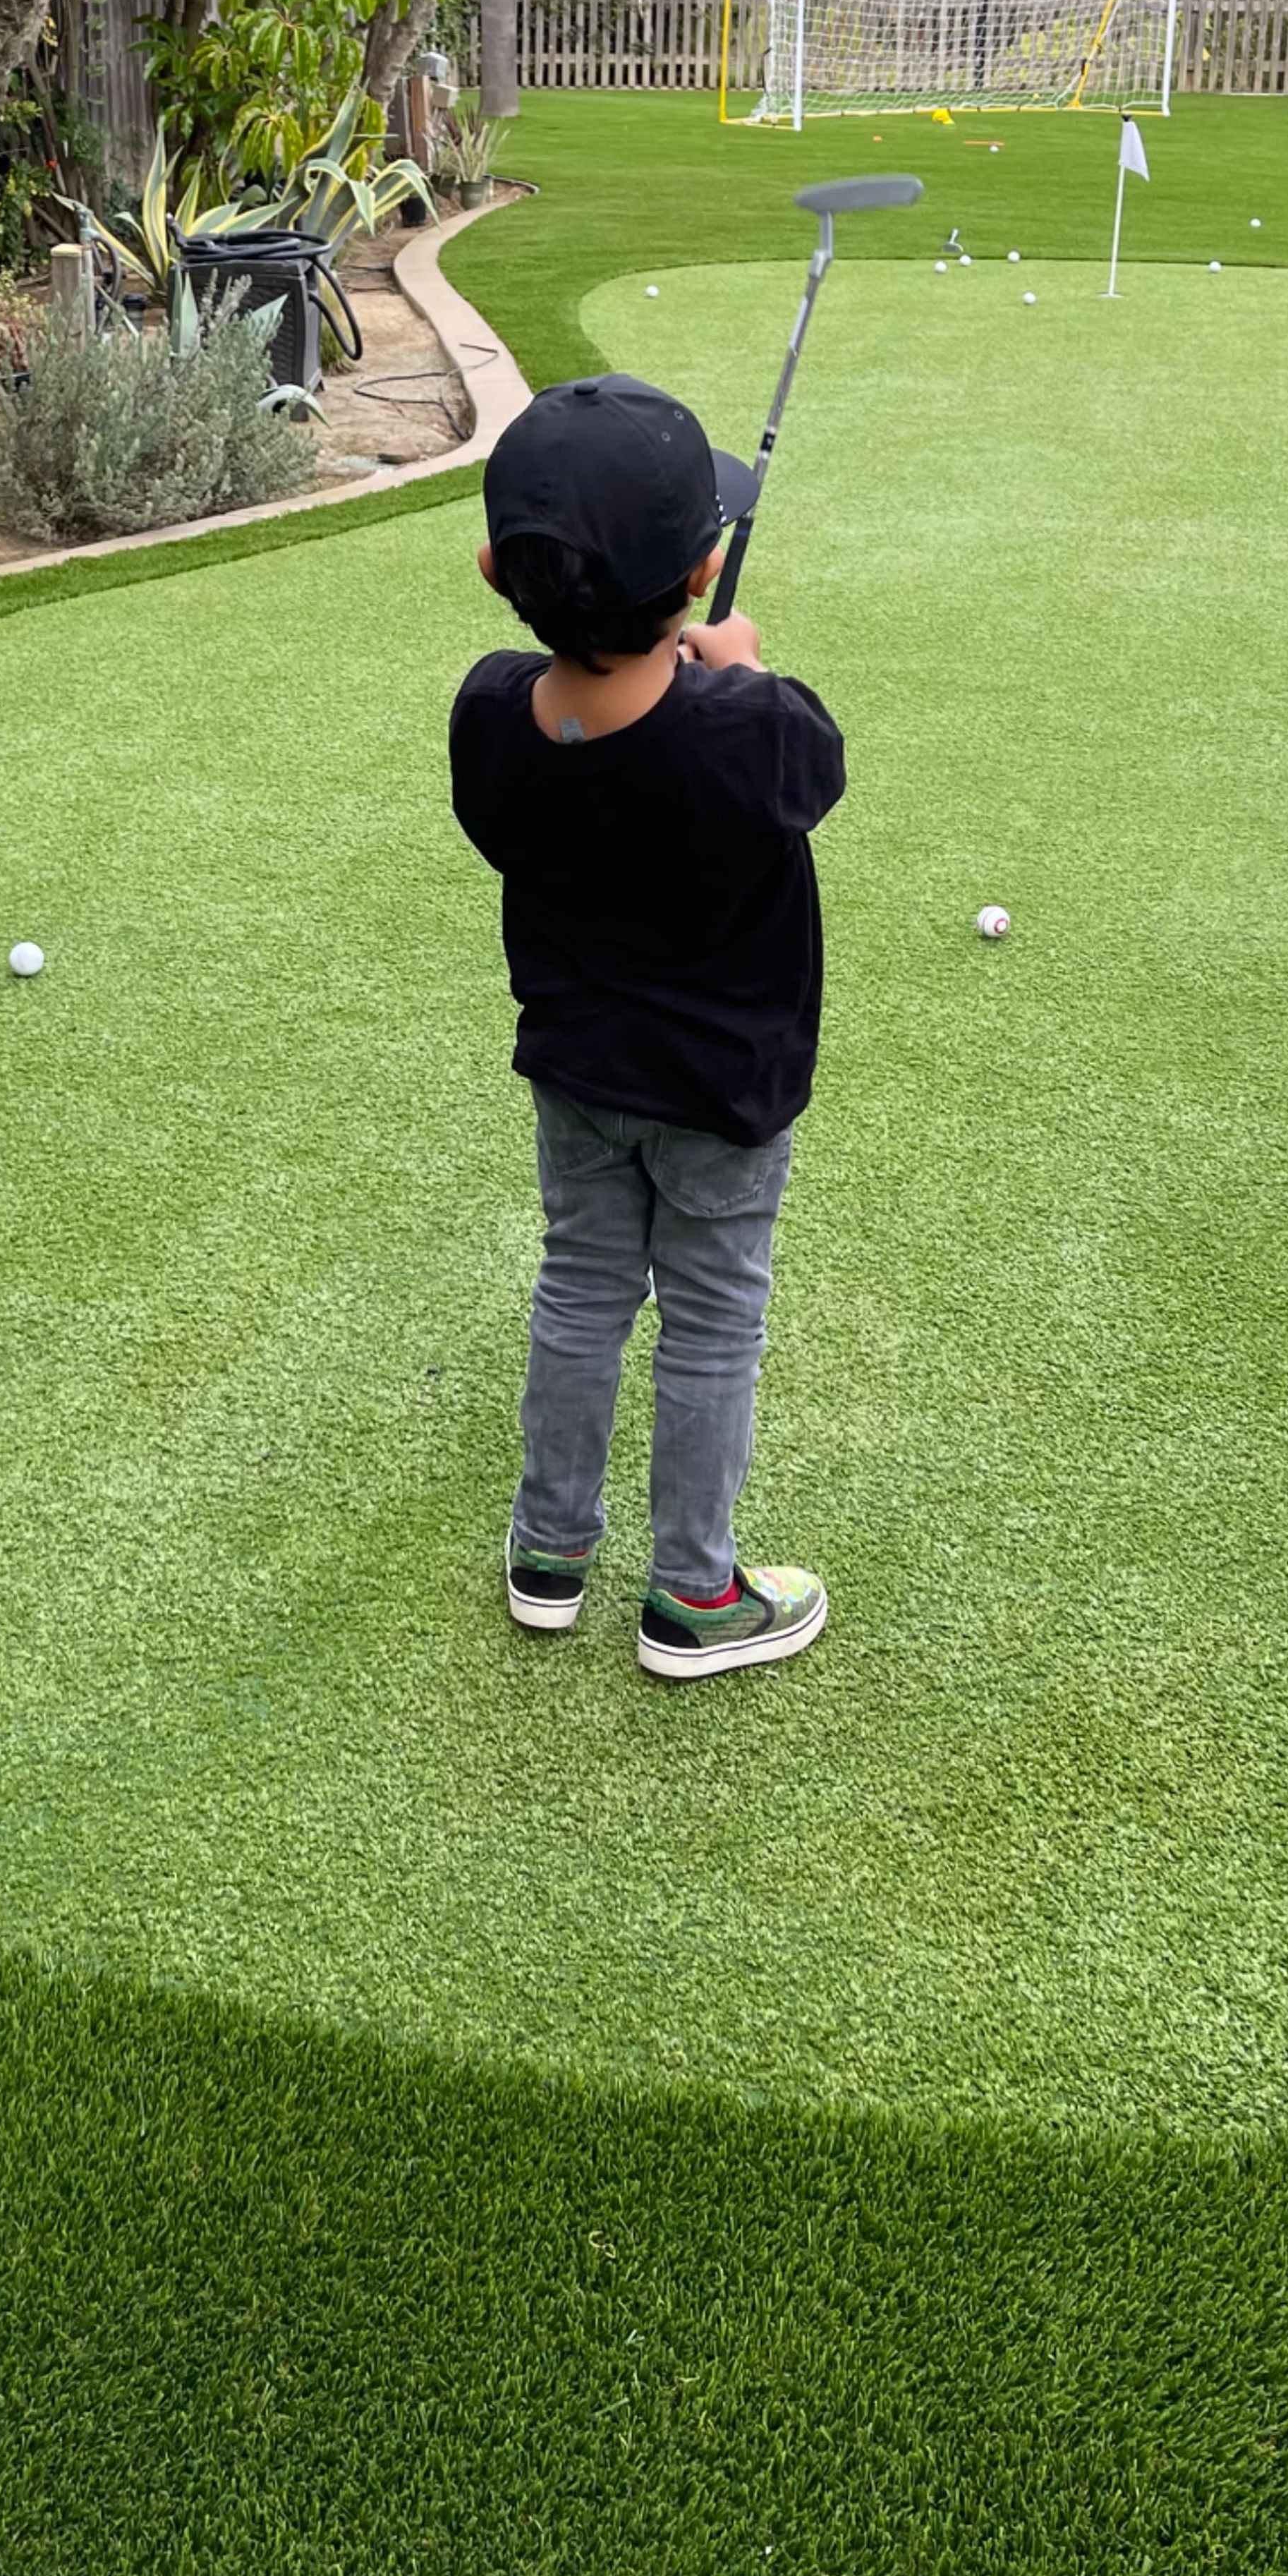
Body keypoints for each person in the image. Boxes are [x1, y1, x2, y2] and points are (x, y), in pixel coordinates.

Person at [449, 375, 847, 1683]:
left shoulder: (491, 711)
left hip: (575, 1073)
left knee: (582, 1287)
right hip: (725, 1092)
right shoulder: (750, 730)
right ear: (705, 570)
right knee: (715, 1320)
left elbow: (578, 741)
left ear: (499, 566)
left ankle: (548, 1552)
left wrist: (682, 671)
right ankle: (693, 1596)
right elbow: (809, 765)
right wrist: (735, 670)